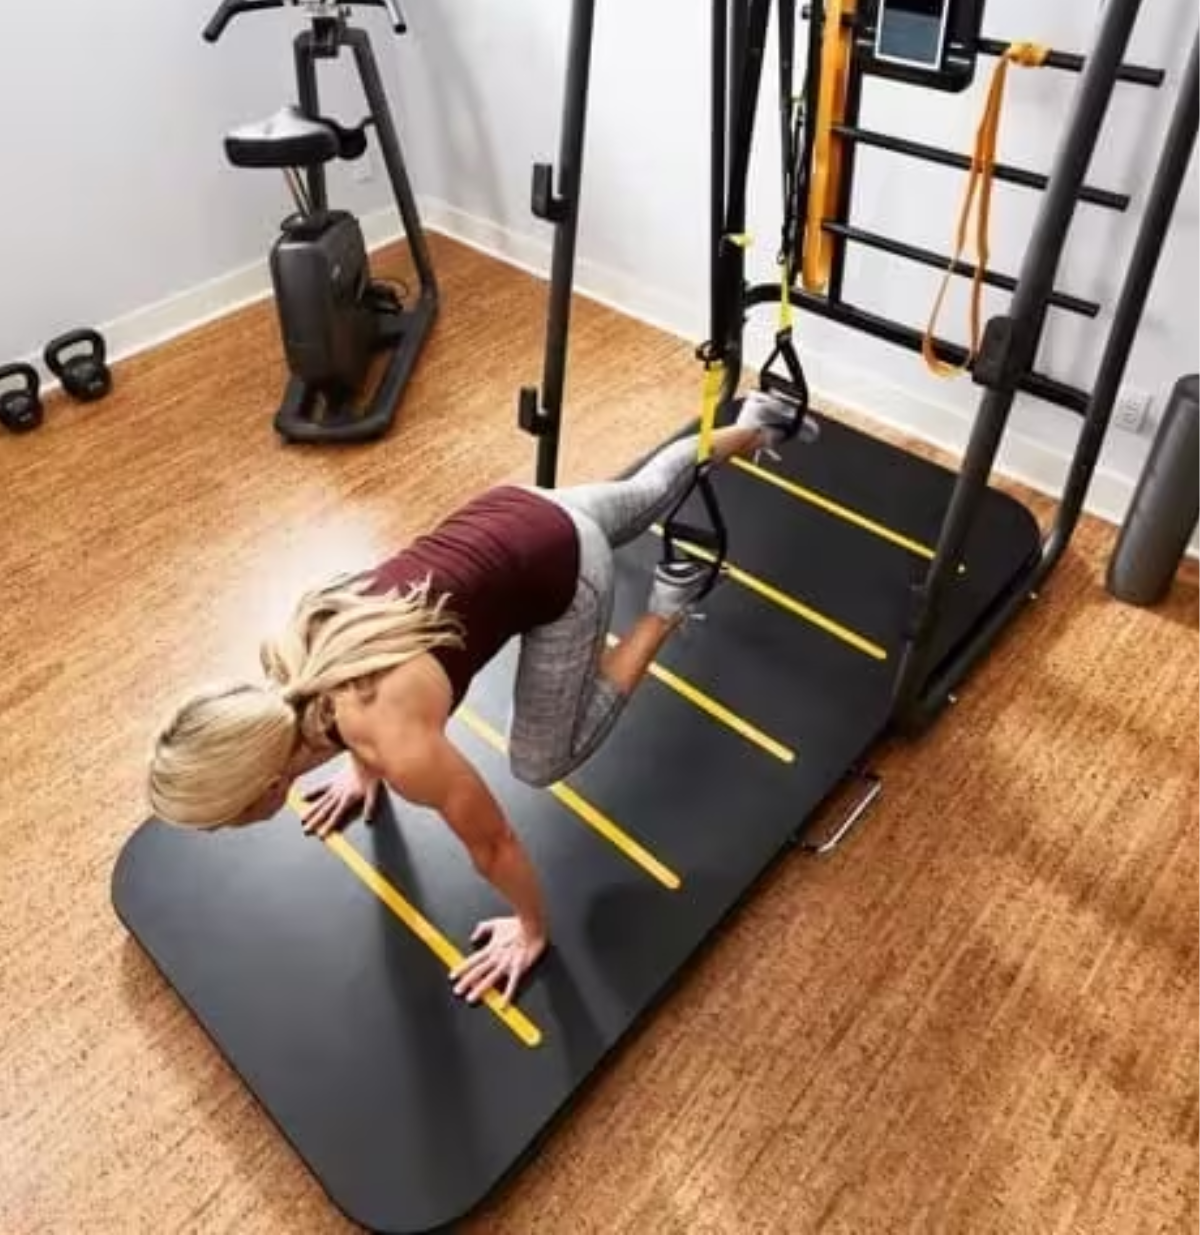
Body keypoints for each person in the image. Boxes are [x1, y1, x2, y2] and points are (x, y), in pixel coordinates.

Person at [147, 391, 801, 1005]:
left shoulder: (399, 747)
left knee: (539, 763)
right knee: (649, 492)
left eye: (219, 819)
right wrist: (361, 770)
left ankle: (667, 607)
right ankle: (757, 421)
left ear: (267, 786)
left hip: (566, 571)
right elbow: (344, 706)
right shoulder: (291, 654)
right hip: (512, 512)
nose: (218, 830)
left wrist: (530, 929)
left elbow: (495, 844)